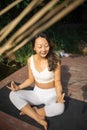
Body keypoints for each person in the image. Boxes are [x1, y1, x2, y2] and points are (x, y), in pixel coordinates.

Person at [7, 32, 65, 130]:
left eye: (46, 46)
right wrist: (18, 87)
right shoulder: (30, 60)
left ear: (49, 45)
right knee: (12, 94)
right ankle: (37, 118)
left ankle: (32, 111)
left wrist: (59, 95)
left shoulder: (55, 60)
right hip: (37, 93)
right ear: (34, 47)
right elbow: (30, 80)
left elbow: (58, 82)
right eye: (39, 46)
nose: (43, 49)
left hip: (51, 94)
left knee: (60, 108)